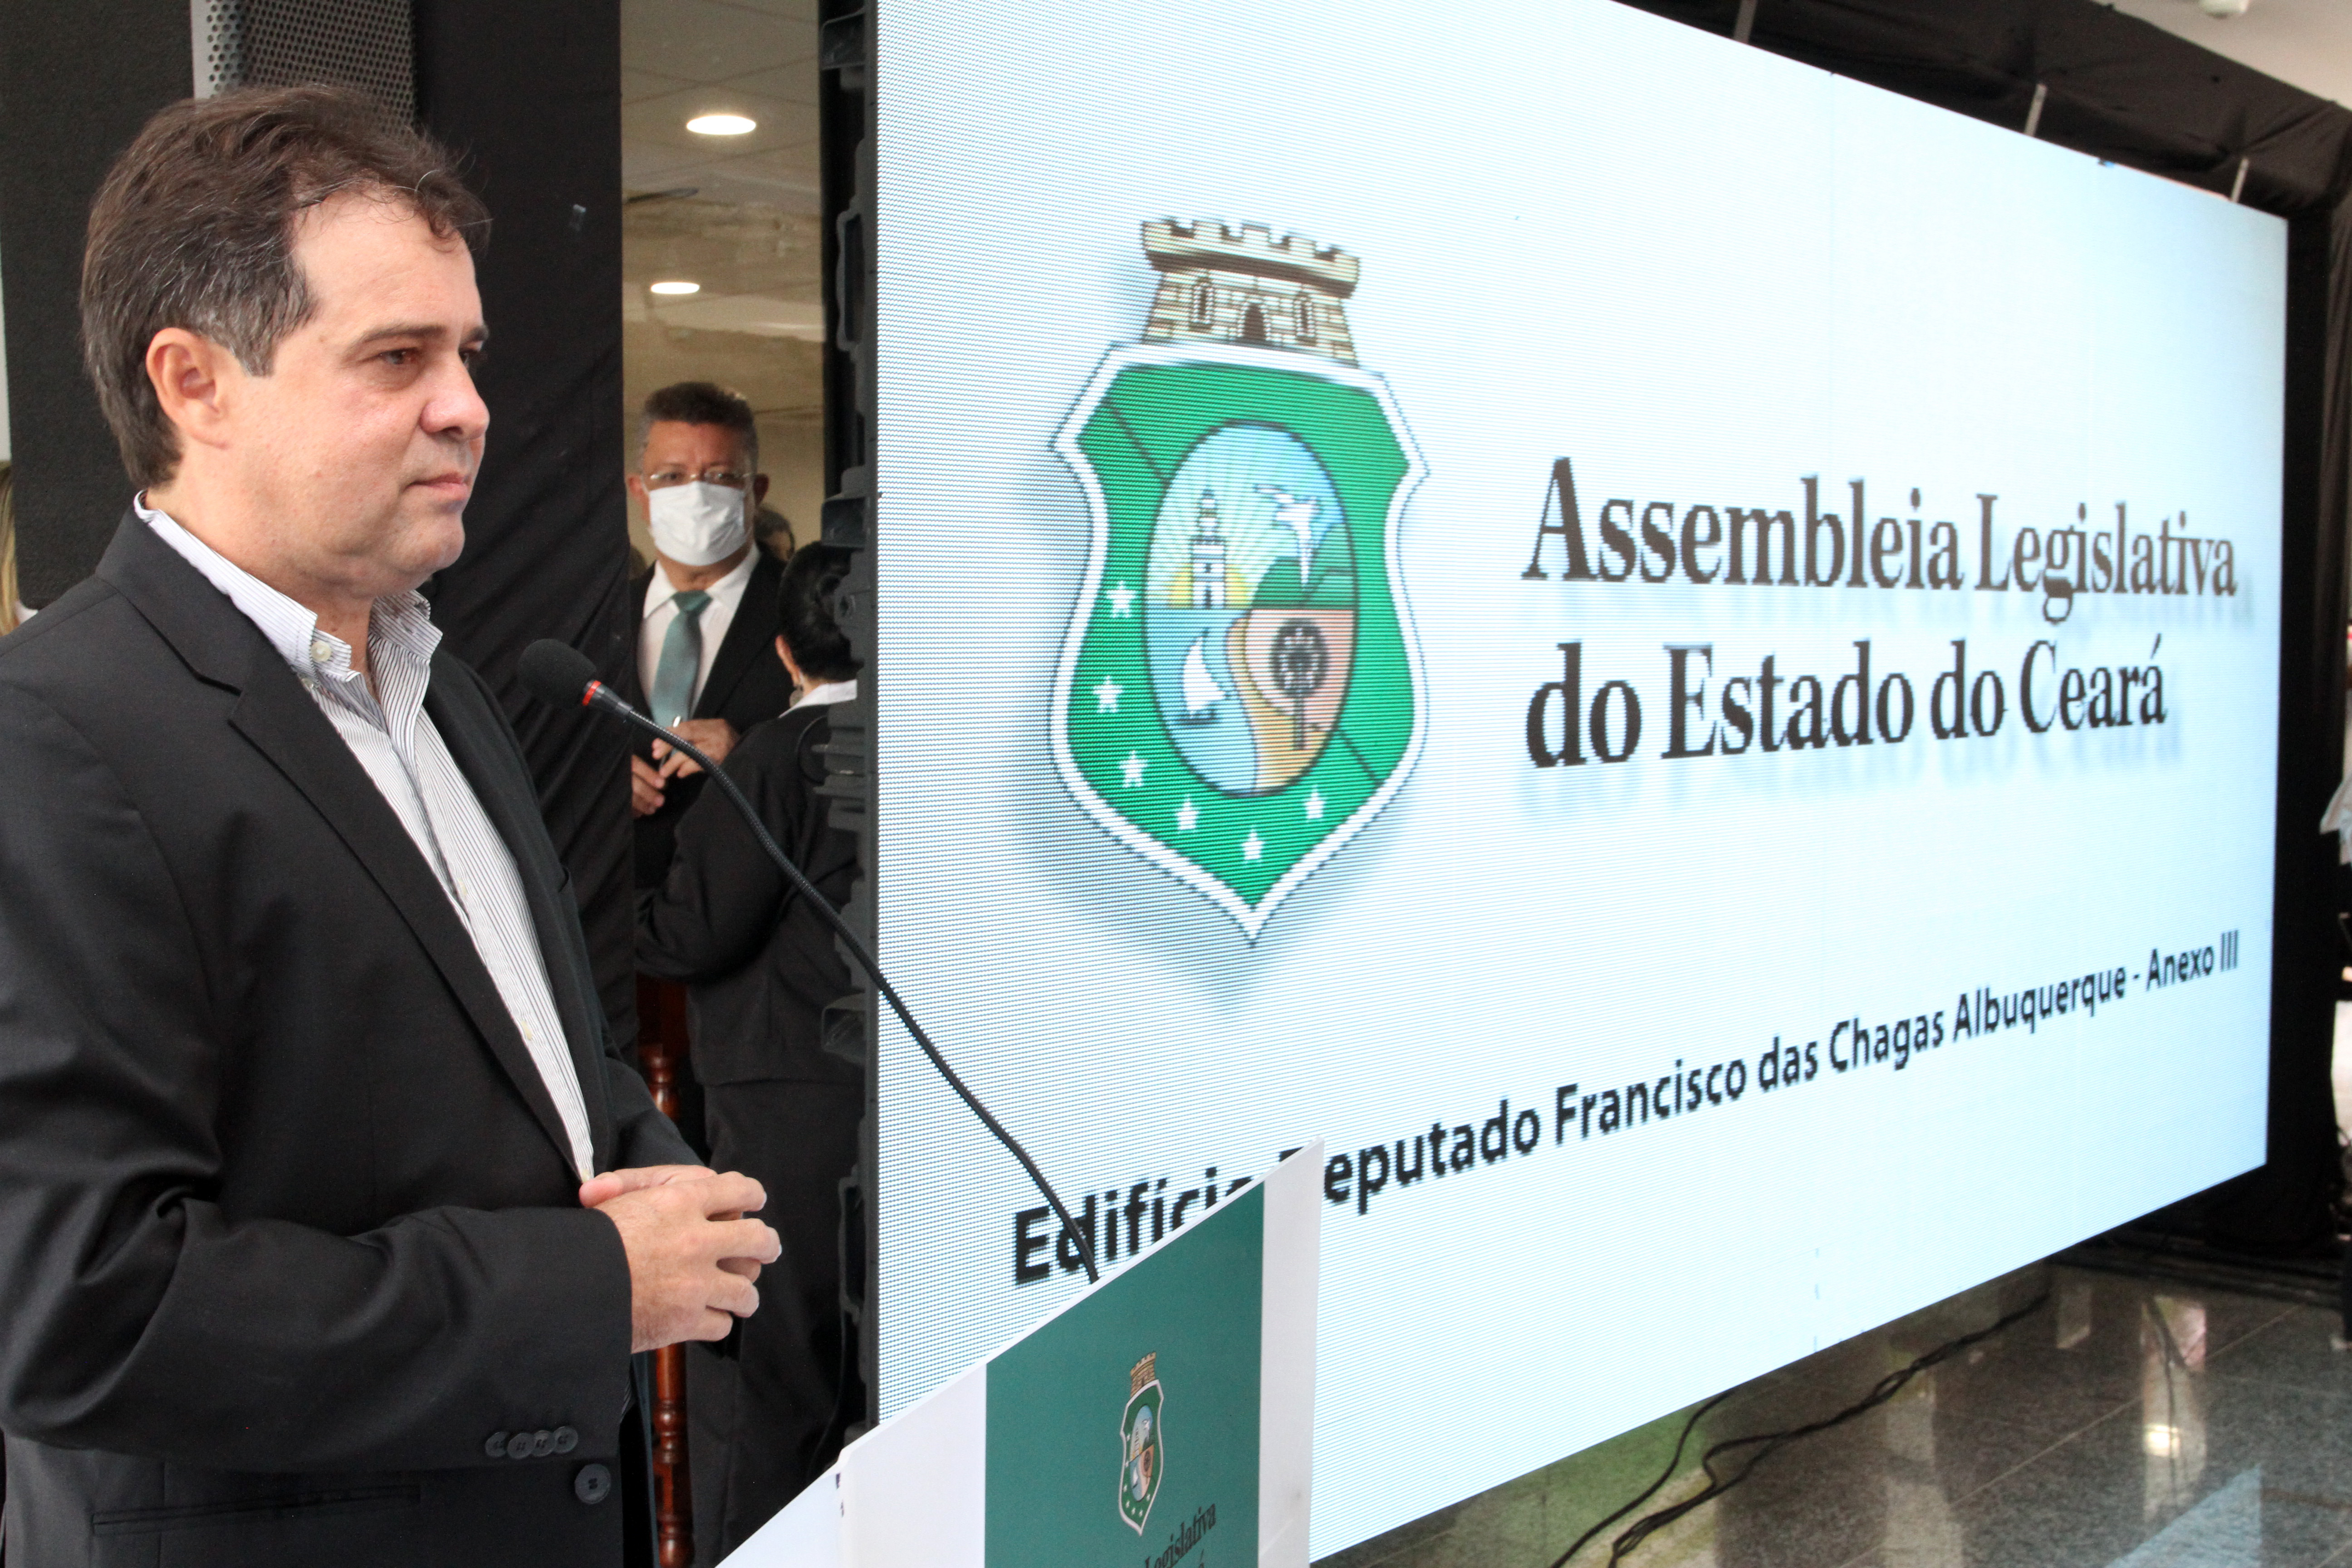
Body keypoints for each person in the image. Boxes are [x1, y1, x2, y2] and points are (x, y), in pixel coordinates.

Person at [0, 87, 779, 1568]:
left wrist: (651, 1160)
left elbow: (521, 1062)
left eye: (466, 353)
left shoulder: (447, 690)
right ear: (195, 383)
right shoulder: (51, 738)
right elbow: (80, 1308)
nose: (468, 405)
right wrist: (586, 1287)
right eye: (396, 357)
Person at [637, 544, 863, 1560]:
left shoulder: (777, 757)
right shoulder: (929, 743)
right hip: (905, 1102)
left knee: (775, 1378)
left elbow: (698, 933)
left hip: (787, 1103)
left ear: (782, 651)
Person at [622, 382, 795, 890]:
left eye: (720, 476)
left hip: (764, 909)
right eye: (672, 477)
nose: (696, 496)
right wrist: (597, 781)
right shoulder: (598, 617)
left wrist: (750, 763)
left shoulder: (809, 613)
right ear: (640, 491)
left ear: (755, 491)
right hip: (618, 913)